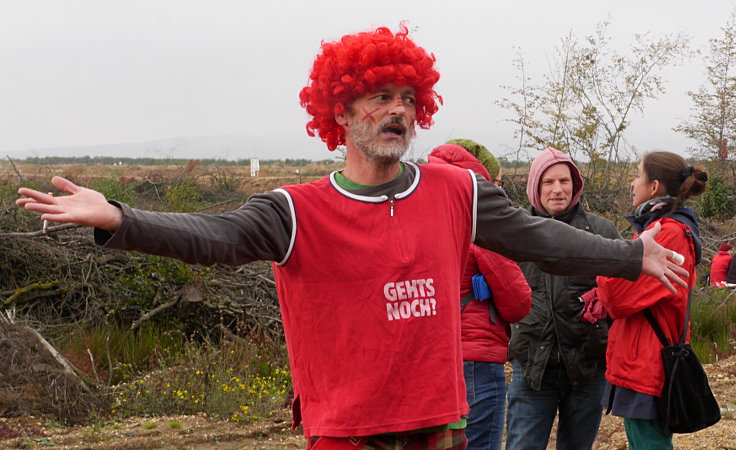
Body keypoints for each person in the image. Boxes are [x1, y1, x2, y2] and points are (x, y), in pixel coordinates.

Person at [17, 25, 688, 449]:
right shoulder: (295, 209)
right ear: (340, 112)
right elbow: (213, 236)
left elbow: (542, 239)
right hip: (345, 428)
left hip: (437, 420)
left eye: (407, 97)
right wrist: (122, 220)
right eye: (378, 96)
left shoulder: (455, 190)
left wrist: (631, 255)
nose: (396, 109)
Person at [504, 147, 621, 450]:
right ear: (535, 187)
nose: (558, 189)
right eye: (549, 182)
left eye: (565, 181)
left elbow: (623, 291)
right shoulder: (515, 233)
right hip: (531, 368)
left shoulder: (600, 231)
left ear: (575, 185)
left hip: (587, 368)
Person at [596, 152, 707, 449]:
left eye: (637, 175)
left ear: (654, 186)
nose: (632, 183)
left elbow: (617, 297)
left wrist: (606, 266)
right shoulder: (659, 228)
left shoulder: (668, 233)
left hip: (648, 363)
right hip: (641, 359)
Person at [428, 141, 531, 450]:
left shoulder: (422, 209)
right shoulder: (475, 222)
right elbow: (518, 302)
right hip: (475, 361)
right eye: (495, 182)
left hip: (429, 358)